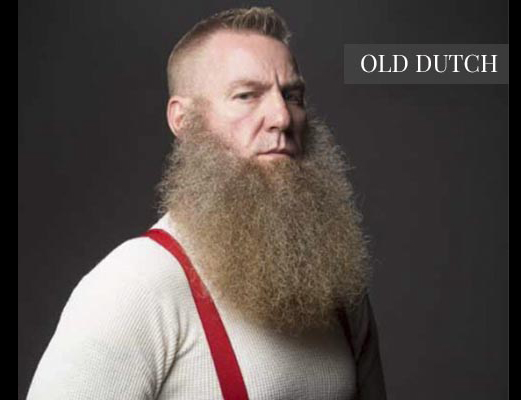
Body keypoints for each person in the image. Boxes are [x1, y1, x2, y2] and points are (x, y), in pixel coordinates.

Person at [27, 7, 386, 399]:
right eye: (246, 95)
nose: (282, 117)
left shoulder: (336, 290)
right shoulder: (134, 286)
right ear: (183, 120)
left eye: (292, 96)